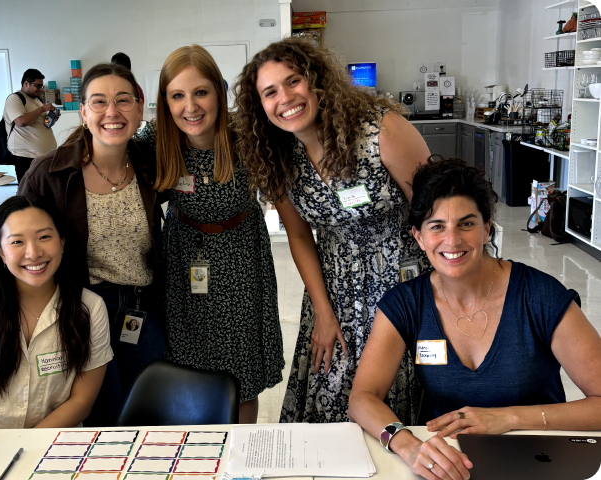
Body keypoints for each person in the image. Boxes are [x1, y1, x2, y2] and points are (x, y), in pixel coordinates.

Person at [348, 158, 601, 480]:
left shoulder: (540, 296)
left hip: (538, 458)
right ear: (419, 236)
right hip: (448, 462)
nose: (452, 241)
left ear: (486, 230)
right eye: (437, 226)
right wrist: (406, 444)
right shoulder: (406, 302)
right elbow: (361, 398)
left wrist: (508, 418)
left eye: (466, 224)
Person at [232, 37, 430, 424]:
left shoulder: (380, 132)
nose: (285, 98)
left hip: (405, 281)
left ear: (317, 80)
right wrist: (323, 311)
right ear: (260, 107)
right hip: (336, 288)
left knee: (407, 390)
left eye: (293, 81)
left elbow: (438, 212)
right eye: (269, 92)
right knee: (333, 393)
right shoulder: (278, 159)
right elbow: (300, 235)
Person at [135, 44, 284, 424]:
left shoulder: (246, 135)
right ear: (164, 101)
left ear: (219, 91)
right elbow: (104, 152)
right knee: (186, 361)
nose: (191, 107)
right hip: (185, 258)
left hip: (239, 258)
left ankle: (242, 457)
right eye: (177, 95)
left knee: (239, 372)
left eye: (200, 92)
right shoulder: (157, 139)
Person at [18, 63, 165, 426]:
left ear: (138, 107)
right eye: (98, 102)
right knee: (101, 418)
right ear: (83, 112)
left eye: (123, 100)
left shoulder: (151, 165)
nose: (112, 112)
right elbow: (18, 246)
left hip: (140, 309)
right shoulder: (49, 173)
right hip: (81, 310)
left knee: (147, 409)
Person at [0, 195, 112, 429]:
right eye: (17, 242)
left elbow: (81, 401)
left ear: (62, 242)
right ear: (0, 252)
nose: (33, 253)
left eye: (44, 237)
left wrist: (26, 448)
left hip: (48, 445)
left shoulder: (90, 308)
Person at [3, 69, 59, 182]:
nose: (39, 90)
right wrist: (42, 109)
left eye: (41, 87)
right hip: (26, 156)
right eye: (37, 86)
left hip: (42, 155)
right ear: (26, 83)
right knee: (28, 193)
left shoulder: (36, 100)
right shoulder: (15, 99)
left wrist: (52, 119)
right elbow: (21, 122)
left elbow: (41, 125)